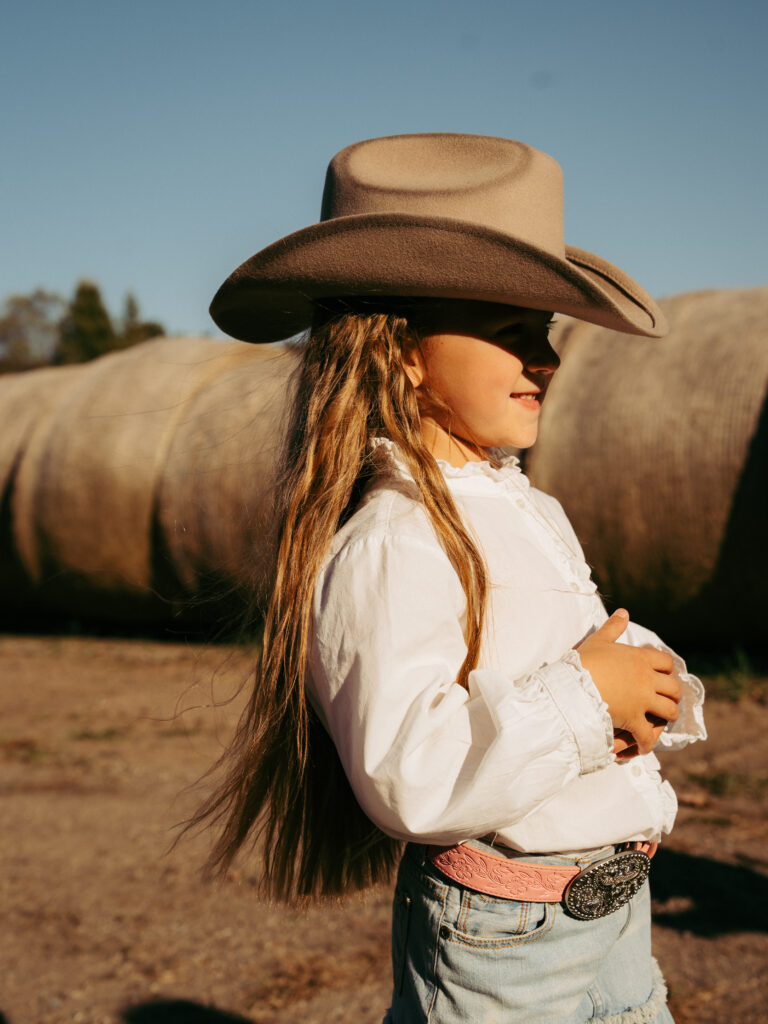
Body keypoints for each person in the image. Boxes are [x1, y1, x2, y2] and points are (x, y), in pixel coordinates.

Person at [196, 133, 706, 1023]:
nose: (546, 358)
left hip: (617, 911)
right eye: (512, 333)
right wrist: (588, 697)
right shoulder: (391, 540)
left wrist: (641, 684)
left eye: (545, 331)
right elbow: (411, 772)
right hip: (505, 940)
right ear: (400, 352)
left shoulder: (529, 506)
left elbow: (548, 654)